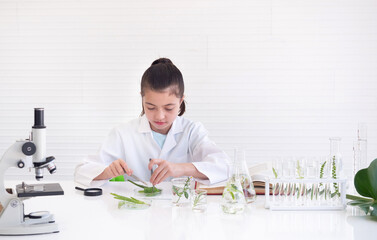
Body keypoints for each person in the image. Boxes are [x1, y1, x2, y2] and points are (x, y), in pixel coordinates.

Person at [74, 58, 230, 187]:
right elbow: (81, 171)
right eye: (151, 107)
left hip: (181, 211)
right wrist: (107, 171)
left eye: (169, 108)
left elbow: (225, 167)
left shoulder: (192, 131)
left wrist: (180, 169)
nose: (160, 116)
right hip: (136, 213)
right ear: (142, 99)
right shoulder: (123, 133)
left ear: (181, 101)